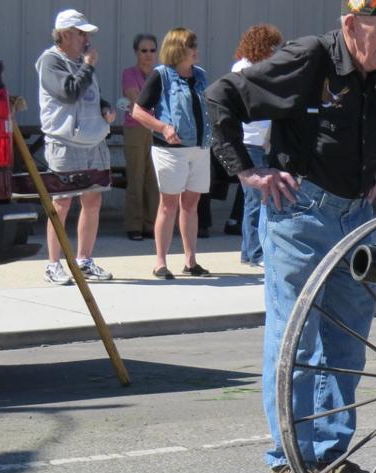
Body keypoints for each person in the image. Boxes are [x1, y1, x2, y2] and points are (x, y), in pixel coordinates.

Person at [206, 0, 376, 473]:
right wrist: (246, 171)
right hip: (301, 213)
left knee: (348, 340)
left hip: (355, 216)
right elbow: (222, 95)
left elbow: (371, 125)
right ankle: (289, 460)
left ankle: (329, 455)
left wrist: (370, 173)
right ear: (350, 24)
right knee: (296, 340)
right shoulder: (310, 58)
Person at [35, 9, 115, 285]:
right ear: (66, 34)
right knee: (61, 203)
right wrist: (88, 66)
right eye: (81, 33)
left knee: (93, 200)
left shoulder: (82, 62)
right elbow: (68, 93)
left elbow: (89, 95)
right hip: (65, 144)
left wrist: (105, 107)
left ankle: (84, 261)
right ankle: (53, 265)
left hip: (93, 141)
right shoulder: (50, 62)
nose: (86, 39)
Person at [129, 27, 212, 280]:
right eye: (191, 46)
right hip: (171, 151)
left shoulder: (200, 75)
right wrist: (163, 127)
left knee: (192, 205)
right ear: (178, 49)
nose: (196, 50)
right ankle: (160, 263)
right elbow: (138, 111)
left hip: (199, 148)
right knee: (168, 205)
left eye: (195, 45)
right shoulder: (161, 75)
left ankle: (190, 261)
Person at [230, 23, 283, 268]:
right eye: (271, 47)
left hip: (262, 141)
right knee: (255, 198)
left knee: (256, 198)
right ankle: (255, 253)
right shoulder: (243, 69)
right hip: (248, 140)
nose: (274, 52)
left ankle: (248, 251)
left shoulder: (262, 68)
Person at [120, 33, 159, 242]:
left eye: (152, 50)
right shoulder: (129, 73)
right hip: (135, 128)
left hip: (156, 129)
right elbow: (136, 99)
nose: (148, 54)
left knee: (154, 179)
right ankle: (134, 224)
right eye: (144, 50)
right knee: (136, 177)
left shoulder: (160, 73)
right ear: (136, 52)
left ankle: (151, 224)